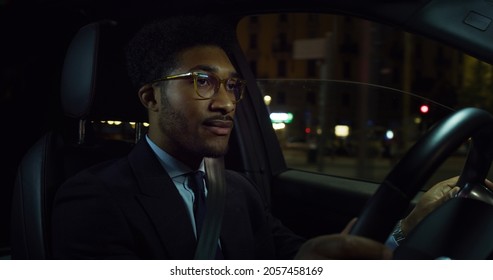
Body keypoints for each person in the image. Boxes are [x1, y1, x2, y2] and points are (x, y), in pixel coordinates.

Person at [51, 14, 462, 260]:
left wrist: (406, 226)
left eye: (232, 86)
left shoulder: (237, 190)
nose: (227, 104)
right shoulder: (93, 198)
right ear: (151, 97)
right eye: (203, 81)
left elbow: (300, 261)